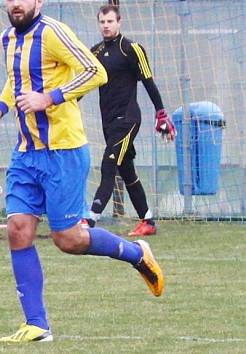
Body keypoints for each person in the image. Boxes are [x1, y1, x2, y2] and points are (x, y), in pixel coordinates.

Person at [0, 0, 165, 344]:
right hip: (27, 152)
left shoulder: (53, 32)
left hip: (63, 151)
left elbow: (95, 71)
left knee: (67, 239)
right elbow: (16, 80)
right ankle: (37, 325)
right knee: (18, 229)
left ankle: (137, 253)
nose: (15, 3)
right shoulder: (7, 38)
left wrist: (50, 97)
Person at [86, 4, 175, 236]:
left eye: (110, 21)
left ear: (119, 22)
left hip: (128, 119)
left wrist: (161, 113)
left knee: (108, 164)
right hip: (109, 122)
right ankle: (148, 221)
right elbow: (83, 85)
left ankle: (89, 220)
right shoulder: (94, 52)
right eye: (102, 22)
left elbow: (148, 81)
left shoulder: (131, 49)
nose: (106, 26)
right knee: (126, 171)